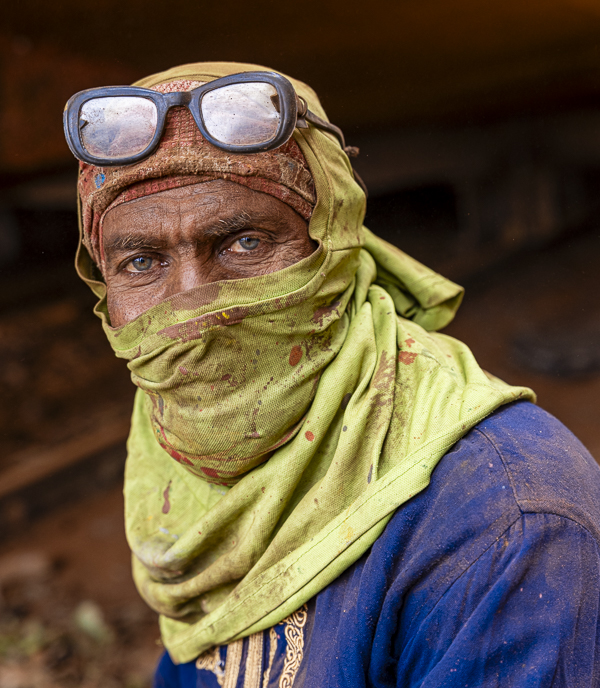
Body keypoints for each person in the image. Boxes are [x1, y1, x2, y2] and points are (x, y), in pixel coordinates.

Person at [64, 62, 600, 687]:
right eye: (141, 260)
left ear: (337, 246)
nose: (194, 308)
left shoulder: (504, 522)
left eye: (243, 243)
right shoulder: (171, 483)